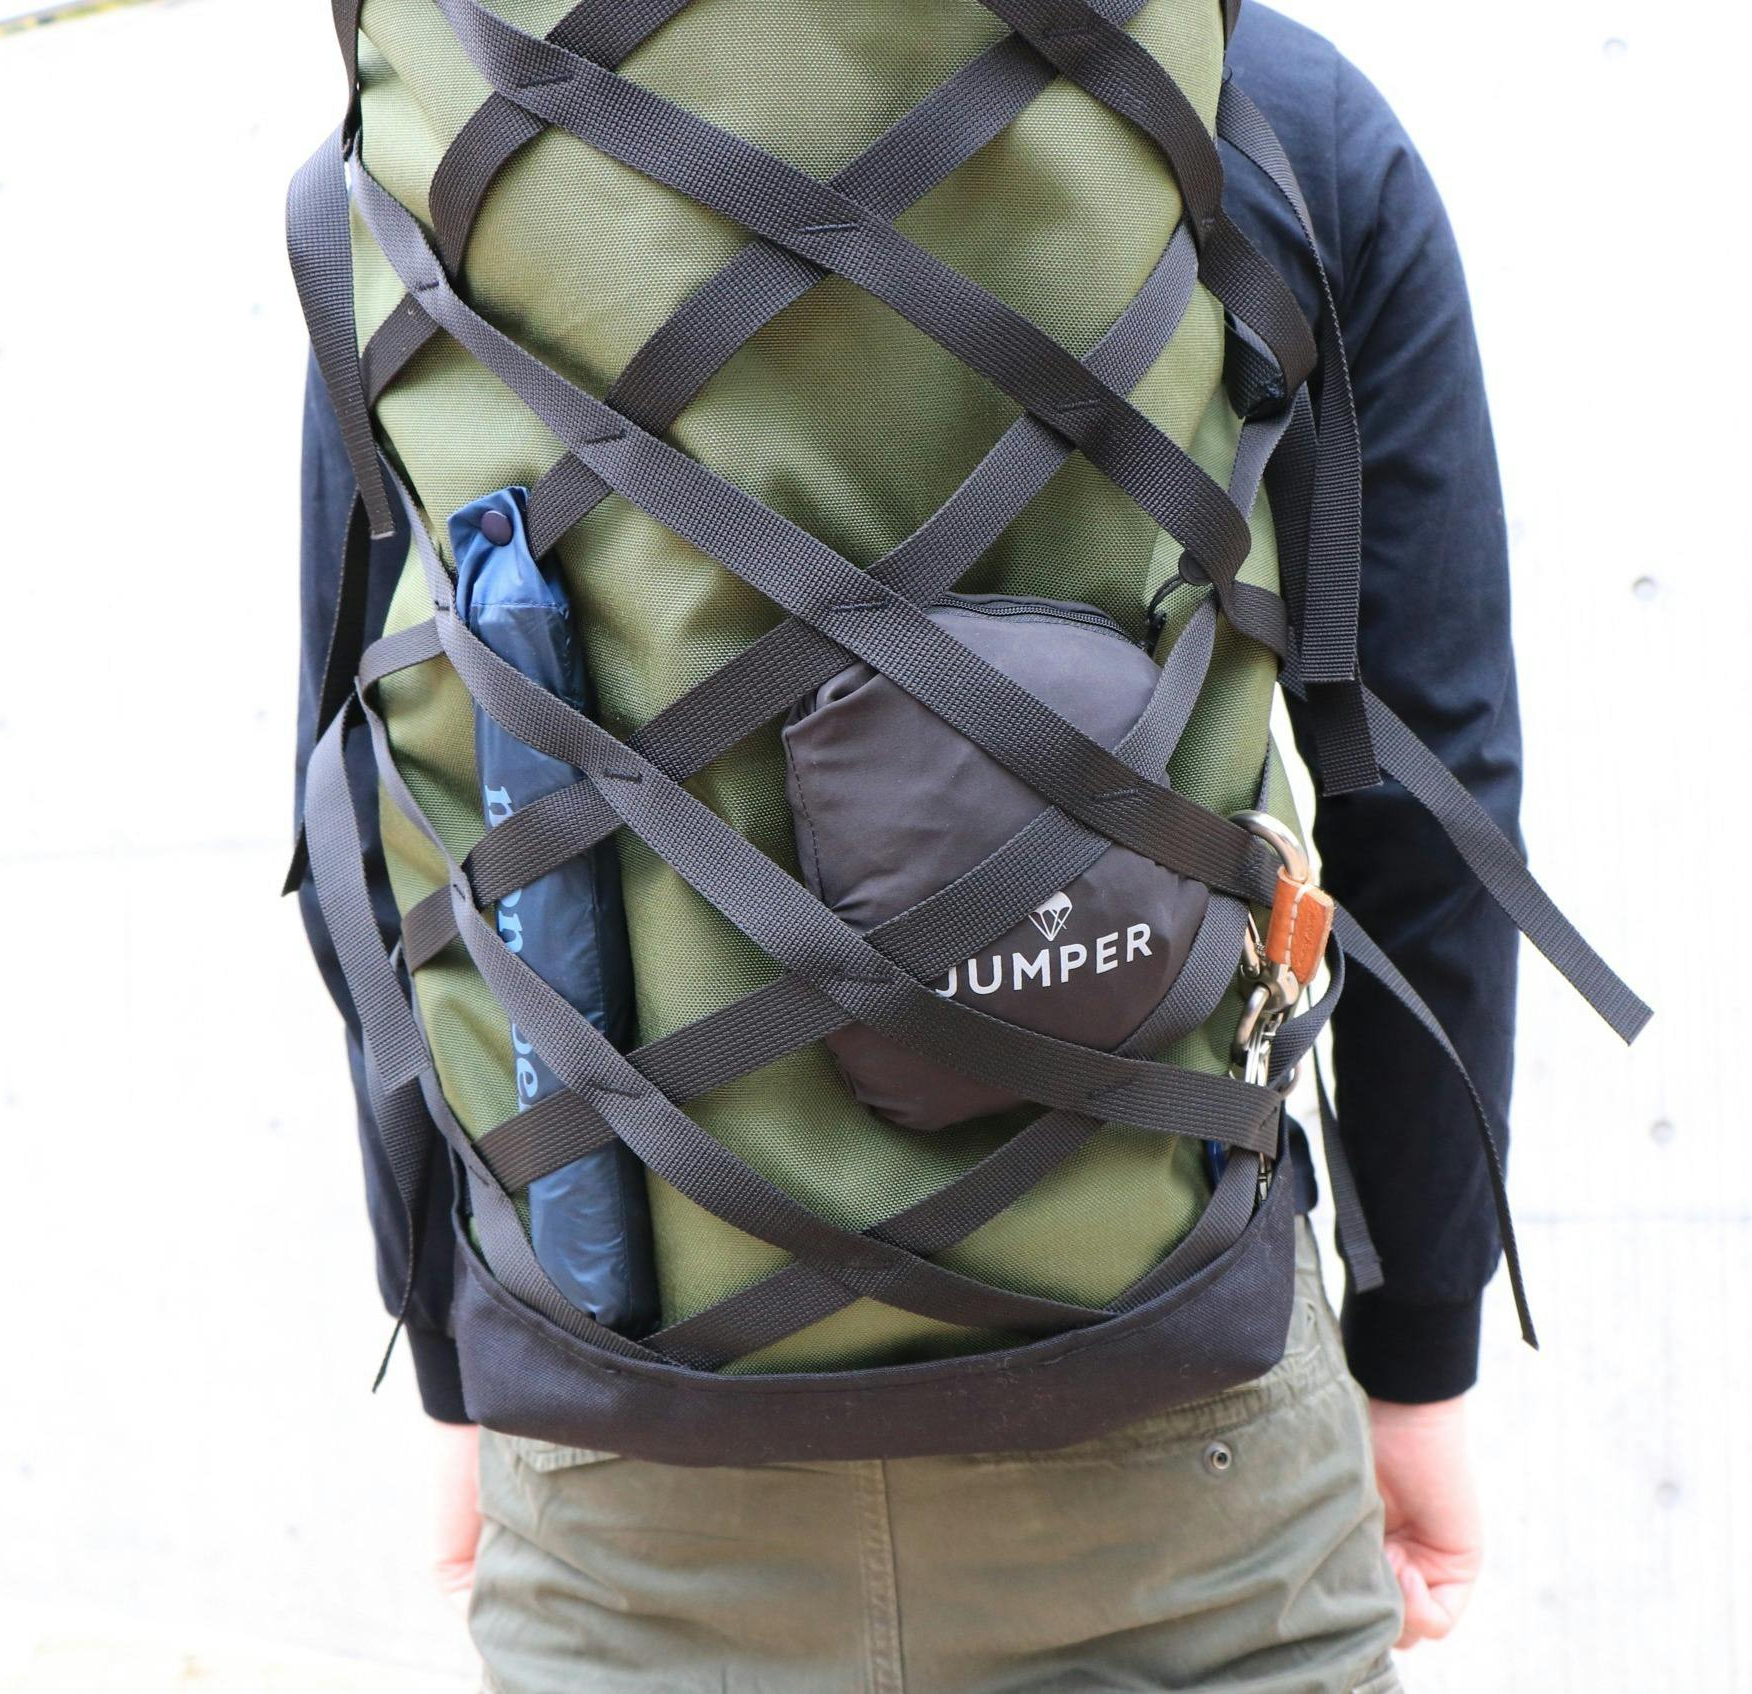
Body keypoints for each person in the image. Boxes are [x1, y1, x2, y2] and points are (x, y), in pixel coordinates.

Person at [298, 7, 1522, 1687]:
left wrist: (457, 1349)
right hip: (1182, 1432)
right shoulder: (1253, 95)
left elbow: (367, 773)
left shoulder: (449, 130)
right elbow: (1427, 777)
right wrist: (1420, 1347)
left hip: (631, 1442)